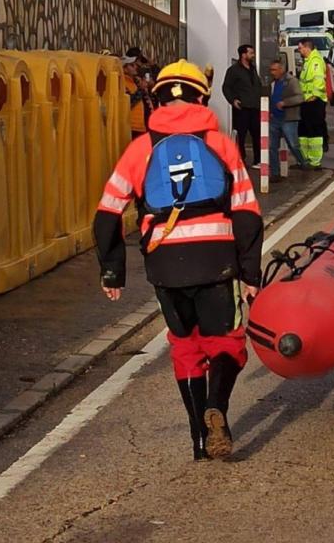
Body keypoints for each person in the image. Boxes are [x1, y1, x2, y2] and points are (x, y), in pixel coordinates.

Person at [93, 59, 263, 461]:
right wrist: (251, 272)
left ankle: (198, 441)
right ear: (201, 98)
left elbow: (107, 212)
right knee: (227, 342)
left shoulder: (140, 149)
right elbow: (246, 211)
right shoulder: (220, 144)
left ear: (157, 98)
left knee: (185, 346)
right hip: (216, 260)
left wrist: (113, 270)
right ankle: (217, 407)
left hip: (165, 265)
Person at [222, 45, 263, 167]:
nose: (253, 55)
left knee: (257, 134)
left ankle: (258, 160)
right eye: (251, 53)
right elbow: (226, 87)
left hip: (254, 107)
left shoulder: (252, 69)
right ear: (243, 55)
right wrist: (233, 100)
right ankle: (241, 160)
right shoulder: (233, 70)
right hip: (242, 108)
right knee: (241, 135)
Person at [268, 60, 307, 172]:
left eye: (274, 70)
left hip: (288, 118)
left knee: (293, 144)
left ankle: (303, 162)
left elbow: (300, 97)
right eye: (271, 70)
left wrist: (285, 103)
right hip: (274, 118)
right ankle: (275, 172)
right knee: (272, 147)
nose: (272, 72)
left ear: (281, 69)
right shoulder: (272, 83)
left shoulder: (292, 81)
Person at [298, 39, 329, 169]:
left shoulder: (315, 61)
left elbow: (319, 81)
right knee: (304, 131)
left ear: (307, 48)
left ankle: (315, 162)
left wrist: (314, 96)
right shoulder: (308, 61)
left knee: (314, 131)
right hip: (305, 101)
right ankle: (305, 159)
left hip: (314, 102)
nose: (299, 50)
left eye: (300, 48)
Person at [122, 54, 153, 140]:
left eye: (135, 65)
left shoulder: (134, 82)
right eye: (132, 65)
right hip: (131, 126)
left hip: (141, 125)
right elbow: (129, 103)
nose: (135, 67)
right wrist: (141, 89)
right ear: (124, 68)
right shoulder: (122, 82)